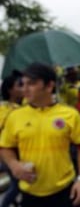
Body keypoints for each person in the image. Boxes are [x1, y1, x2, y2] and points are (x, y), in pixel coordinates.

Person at [0, 62, 80, 207]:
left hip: (65, 191)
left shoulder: (70, 114)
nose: (25, 89)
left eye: (32, 84)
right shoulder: (14, 116)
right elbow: (5, 146)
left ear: (49, 86)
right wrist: (14, 165)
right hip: (30, 193)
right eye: (23, 84)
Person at [0, 71, 24, 207]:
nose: (23, 88)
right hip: (10, 155)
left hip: (19, 153)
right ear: (10, 90)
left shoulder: (19, 107)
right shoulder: (5, 109)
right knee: (17, 186)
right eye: (19, 85)